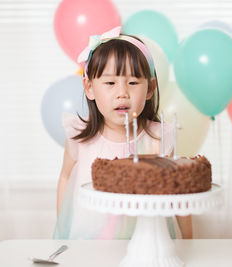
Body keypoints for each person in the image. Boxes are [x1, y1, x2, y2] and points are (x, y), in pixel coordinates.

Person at [53, 26, 192, 240]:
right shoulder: (79, 137)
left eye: (133, 82)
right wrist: (63, 226)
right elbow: (65, 177)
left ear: (150, 88)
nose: (122, 93)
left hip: (149, 242)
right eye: (110, 83)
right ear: (89, 88)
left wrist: (189, 239)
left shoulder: (159, 138)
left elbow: (179, 191)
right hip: (91, 241)